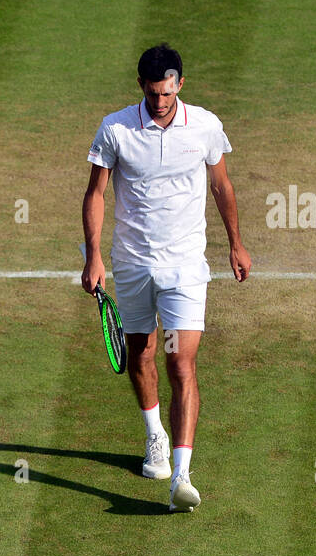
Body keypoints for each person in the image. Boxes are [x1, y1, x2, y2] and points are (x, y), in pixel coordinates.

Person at [81, 43, 251, 512]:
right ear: (142, 87)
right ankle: (155, 435)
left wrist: (236, 243)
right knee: (142, 354)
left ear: (180, 85)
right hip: (132, 264)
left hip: (185, 269)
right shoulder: (115, 129)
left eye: (168, 92)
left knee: (181, 363)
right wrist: (93, 255)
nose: (160, 101)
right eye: (153, 93)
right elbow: (95, 193)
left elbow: (221, 185)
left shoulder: (205, 126)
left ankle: (181, 474)